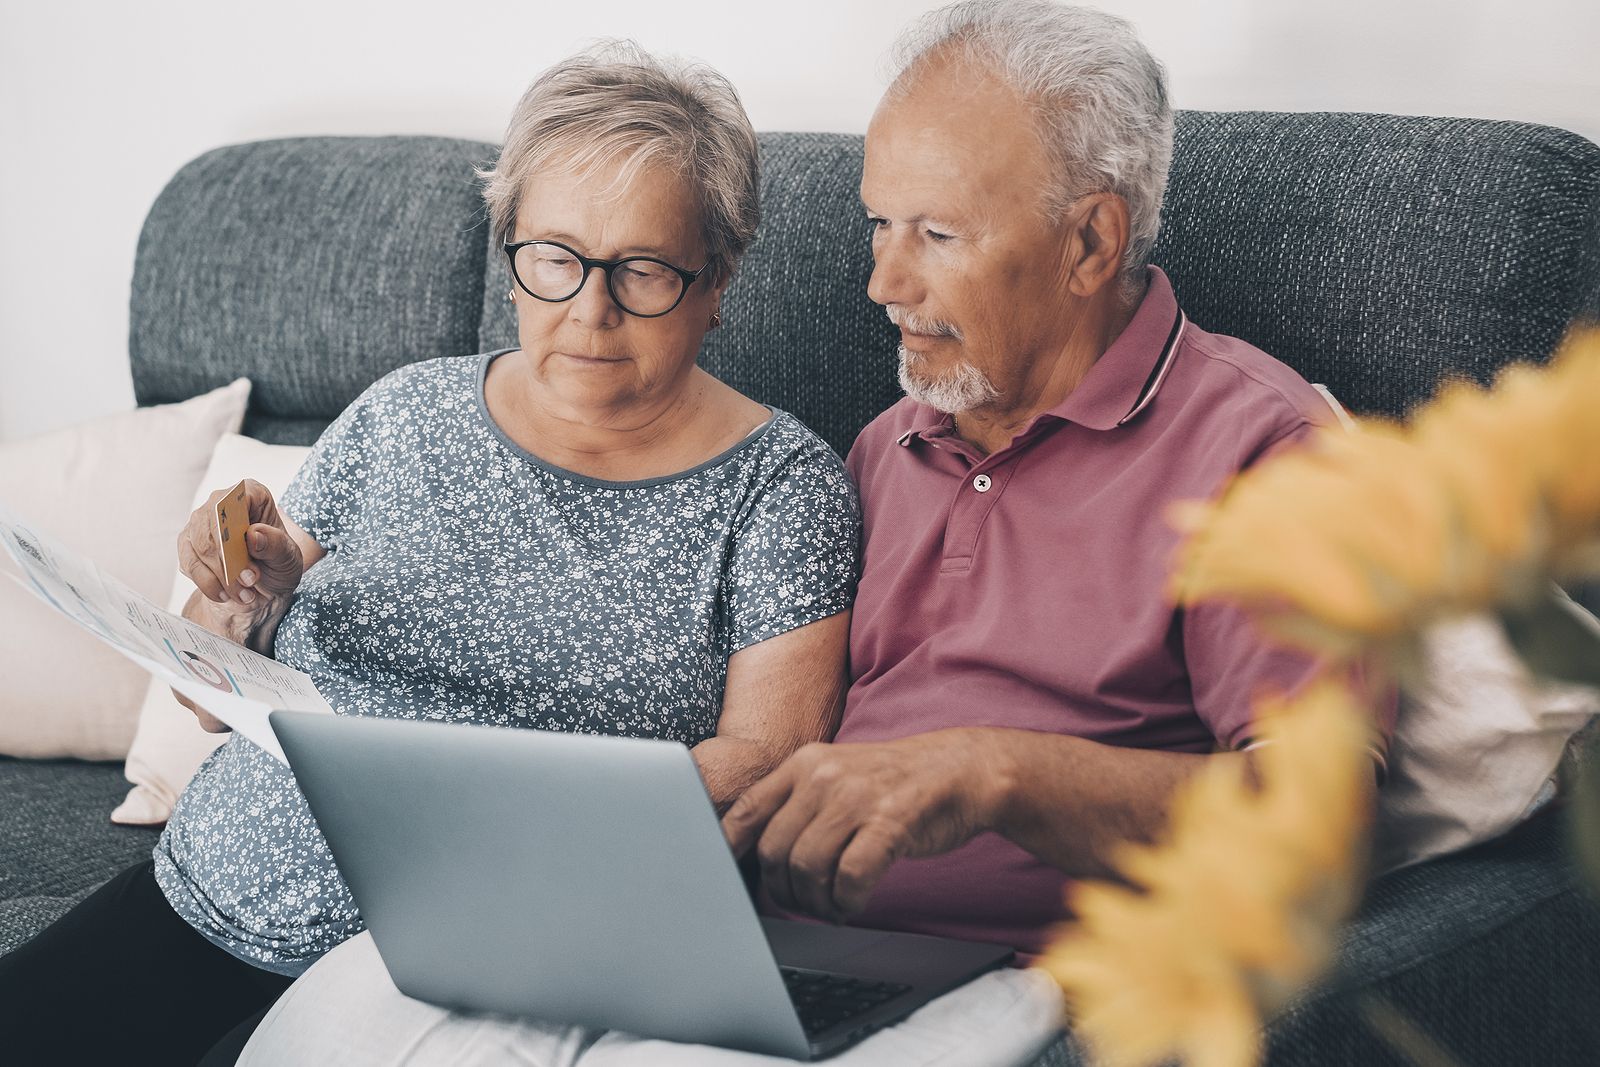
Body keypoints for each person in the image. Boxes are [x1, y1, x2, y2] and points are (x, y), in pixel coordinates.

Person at [232, 2, 1398, 1063]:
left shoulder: (1263, 453)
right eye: (879, 223)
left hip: (1011, 971)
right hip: (737, 936)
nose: (882, 281)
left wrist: (994, 770)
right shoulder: (889, 445)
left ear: (1090, 243)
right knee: (353, 1016)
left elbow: (1324, 829)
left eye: (935, 234)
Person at [0, 43, 859, 1067]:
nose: (589, 310)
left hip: (502, 952)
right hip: (223, 888)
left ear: (716, 280)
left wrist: (513, 820)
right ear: (512, 253)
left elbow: (763, 763)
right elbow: (208, 688)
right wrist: (240, 599)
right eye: (556, 258)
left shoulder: (782, 487)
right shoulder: (403, 412)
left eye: (642, 270)